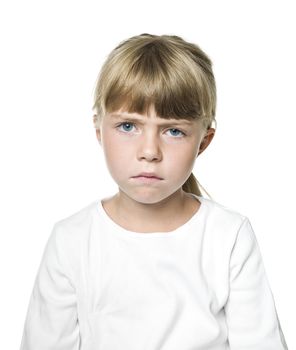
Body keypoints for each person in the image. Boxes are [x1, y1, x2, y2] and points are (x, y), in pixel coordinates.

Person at [19, 33, 288, 349]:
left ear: (203, 141)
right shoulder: (72, 240)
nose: (149, 151)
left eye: (174, 131)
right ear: (98, 130)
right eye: (128, 126)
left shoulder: (228, 236)